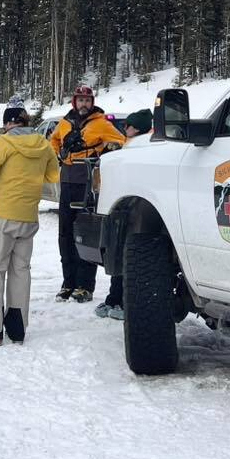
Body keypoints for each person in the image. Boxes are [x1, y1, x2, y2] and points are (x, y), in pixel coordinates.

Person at [0, 104, 59, 346]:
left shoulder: (3, 143)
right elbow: (54, 176)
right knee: (21, 270)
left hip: (5, 215)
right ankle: (17, 328)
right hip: (29, 216)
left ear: (9, 123)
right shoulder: (44, 145)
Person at [50, 85, 126, 303]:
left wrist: (103, 150)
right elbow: (53, 140)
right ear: (74, 102)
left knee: (84, 232)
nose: (84, 104)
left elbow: (121, 141)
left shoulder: (101, 123)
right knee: (65, 234)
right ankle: (68, 282)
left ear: (92, 102)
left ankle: (85, 285)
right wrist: (59, 152)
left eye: (87, 100)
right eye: (80, 100)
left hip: (87, 180)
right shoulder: (64, 123)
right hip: (67, 179)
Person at [95, 108, 152, 320]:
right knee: (119, 254)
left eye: (126, 125)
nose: (124, 128)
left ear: (135, 128)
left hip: (132, 210)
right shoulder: (132, 145)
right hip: (127, 209)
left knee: (125, 256)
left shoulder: (140, 147)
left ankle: (123, 301)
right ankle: (114, 298)